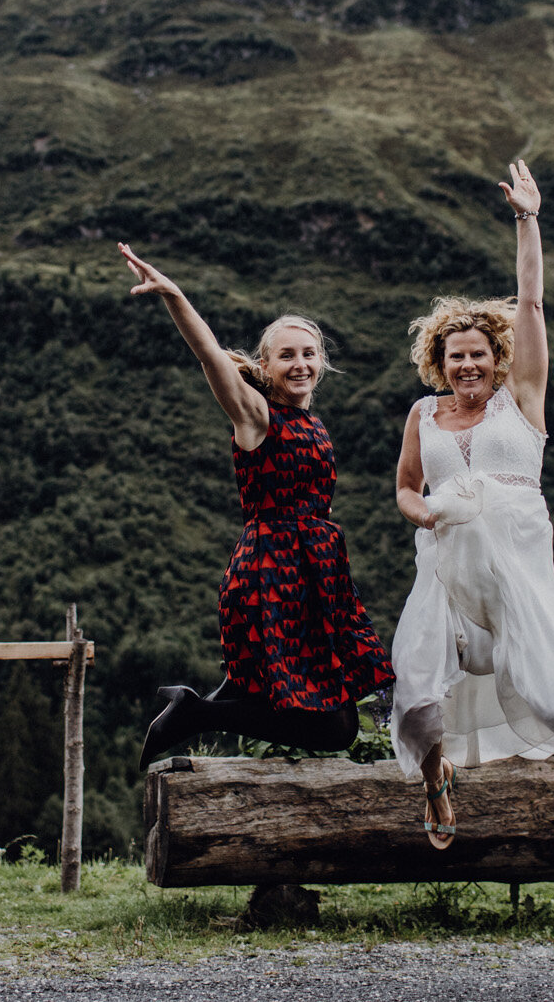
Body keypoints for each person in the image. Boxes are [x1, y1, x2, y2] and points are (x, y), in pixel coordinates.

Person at [391, 162, 554, 850]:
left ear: (497, 358)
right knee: (420, 687)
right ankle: (436, 778)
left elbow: (533, 305)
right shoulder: (423, 415)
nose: (467, 367)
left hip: (514, 563)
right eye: (455, 356)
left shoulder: (523, 404)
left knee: (545, 689)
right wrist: (422, 512)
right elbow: (403, 485)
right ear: (439, 359)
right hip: (447, 564)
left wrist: (527, 219)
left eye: (479, 355)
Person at [120, 243, 394, 764]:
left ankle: (204, 706)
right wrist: (175, 295)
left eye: (308, 354)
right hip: (272, 574)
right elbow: (208, 354)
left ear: (321, 362)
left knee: (328, 717)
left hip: (313, 574)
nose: (300, 364)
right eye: (286, 355)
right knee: (334, 727)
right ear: (265, 366)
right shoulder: (257, 416)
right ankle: (194, 712)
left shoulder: (312, 422)